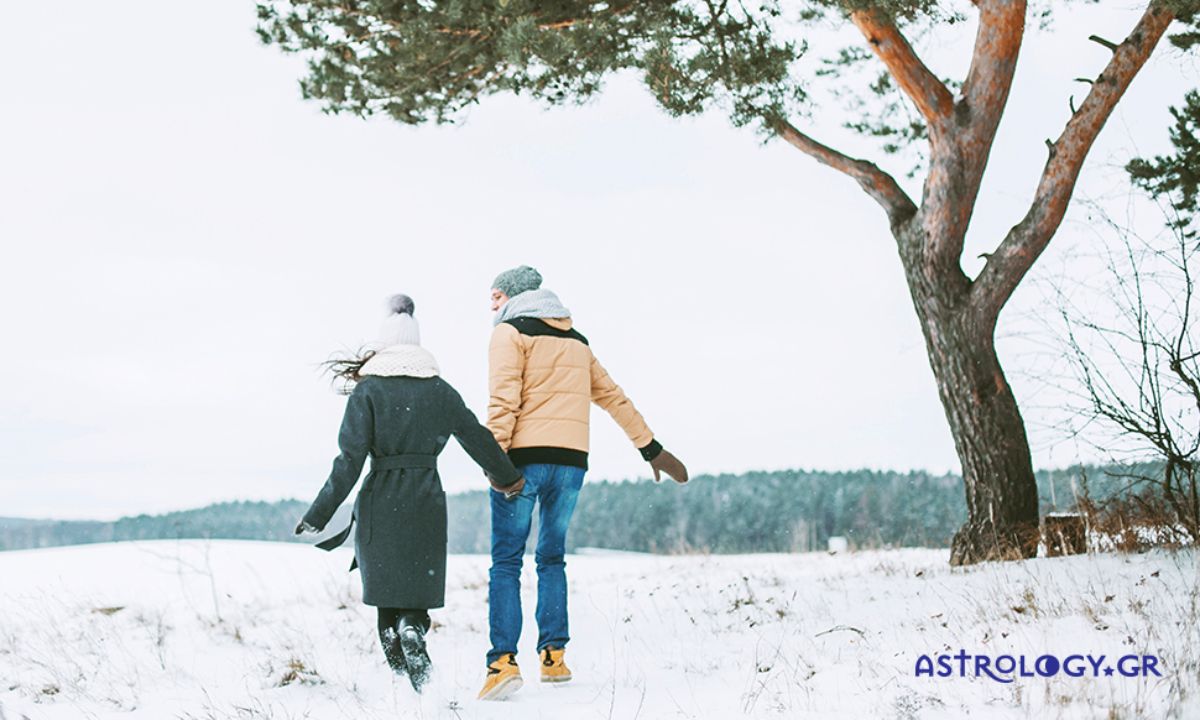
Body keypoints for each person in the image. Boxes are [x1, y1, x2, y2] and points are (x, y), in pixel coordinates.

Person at [477, 266, 689, 701]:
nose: (491, 306)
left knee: (506, 562)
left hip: (520, 463)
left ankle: (502, 664)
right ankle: (554, 656)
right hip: (571, 463)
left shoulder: (509, 334)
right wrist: (650, 448)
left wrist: (494, 461)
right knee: (551, 558)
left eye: (495, 296)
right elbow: (613, 396)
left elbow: (503, 401)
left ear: (514, 296)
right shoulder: (577, 342)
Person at [296, 294, 524, 693]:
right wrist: (509, 478)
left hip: (380, 503)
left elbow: (348, 461)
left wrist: (319, 512)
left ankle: (409, 686)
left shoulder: (368, 392)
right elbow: (477, 438)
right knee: (415, 594)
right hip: (425, 502)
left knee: (387, 595)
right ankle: (414, 633)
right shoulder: (439, 390)